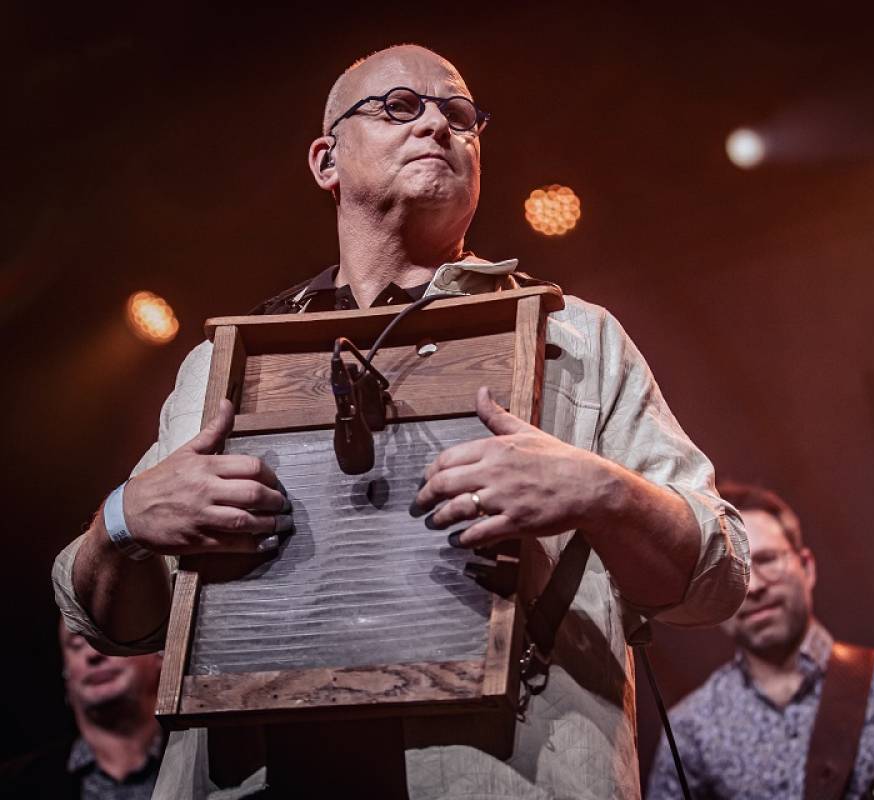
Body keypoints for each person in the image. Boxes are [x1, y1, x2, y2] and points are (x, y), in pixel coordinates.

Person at [52, 44, 749, 799]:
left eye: (460, 115)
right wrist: (123, 520)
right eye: (400, 107)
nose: (438, 126)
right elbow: (113, 625)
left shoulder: (576, 340)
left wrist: (601, 492)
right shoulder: (222, 366)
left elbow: (716, 577)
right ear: (327, 160)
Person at [647, 481, 874, 800]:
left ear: (807, 567)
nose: (753, 587)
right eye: (731, 573)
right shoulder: (691, 727)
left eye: (767, 560)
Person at [0, 620, 162, 799]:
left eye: (111, 636)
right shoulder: (14, 784)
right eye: (77, 644)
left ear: (160, 655)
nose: (93, 653)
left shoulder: (187, 762)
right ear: (66, 675)